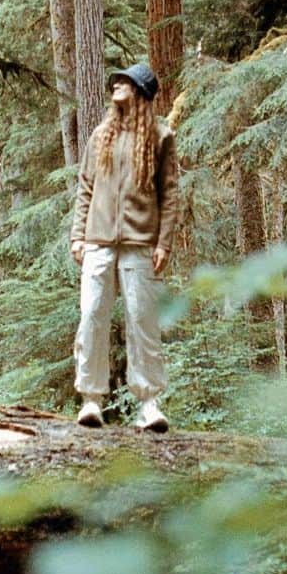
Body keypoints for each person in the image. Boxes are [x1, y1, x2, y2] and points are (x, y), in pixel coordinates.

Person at [70, 62, 180, 432]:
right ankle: (90, 400)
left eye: (125, 82)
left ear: (141, 92)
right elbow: (85, 188)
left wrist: (164, 242)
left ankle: (149, 404)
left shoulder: (161, 136)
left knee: (142, 320)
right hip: (98, 242)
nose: (116, 84)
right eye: (115, 80)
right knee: (92, 316)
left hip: (140, 245)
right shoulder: (101, 135)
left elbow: (170, 195)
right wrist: (77, 235)